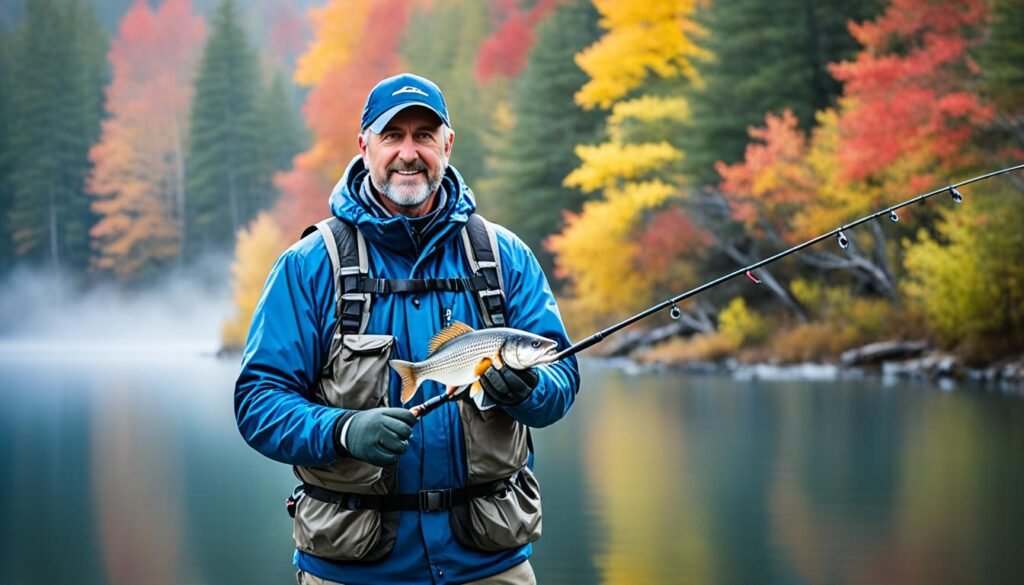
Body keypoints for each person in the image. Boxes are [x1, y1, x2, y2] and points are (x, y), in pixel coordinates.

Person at [234, 73, 580, 585]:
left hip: (489, 565)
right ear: (364, 145)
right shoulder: (308, 265)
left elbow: (562, 376)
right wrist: (345, 430)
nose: (408, 152)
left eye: (424, 135)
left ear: (448, 144)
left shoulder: (505, 257)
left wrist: (529, 391)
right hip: (351, 571)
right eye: (392, 135)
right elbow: (258, 403)